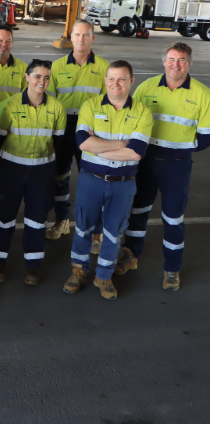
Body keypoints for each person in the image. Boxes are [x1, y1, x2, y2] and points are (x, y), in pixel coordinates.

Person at [116, 42, 210, 291]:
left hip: (176, 166)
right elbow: (131, 121)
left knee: (173, 218)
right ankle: (130, 256)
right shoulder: (146, 87)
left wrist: (177, 148)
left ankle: (172, 269)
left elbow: (205, 137)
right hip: (146, 163)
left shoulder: (203, 94)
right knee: (138, 211)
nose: (175, 64)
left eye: (181, 60)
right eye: (171, 59)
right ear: (163, 61)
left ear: (189, 63)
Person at [63, 61, 152, 300]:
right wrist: (121, 144)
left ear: (131, 81)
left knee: (114, 231)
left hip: (123, 183)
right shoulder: (90, 106)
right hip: (91, 180)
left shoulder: (142, 112)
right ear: (105, 80)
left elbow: (136, 153)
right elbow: (83, 142)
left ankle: (104, 275)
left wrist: (98, 147)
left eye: (122, 79)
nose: (116, 84)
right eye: (111, 78)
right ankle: (78, 271)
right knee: (83, 226)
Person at [0, 60, 66, 285]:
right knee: (4, 219)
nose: (42, 81)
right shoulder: (9, 106)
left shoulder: (56, 107)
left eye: (46, 77)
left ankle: (33, 267)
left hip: (41, 173)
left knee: (37, 220)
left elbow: (58, 143)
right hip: (11, 172)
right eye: (37, 76)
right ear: (27, 77)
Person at [46, 20, 109, 244]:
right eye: (77, 35)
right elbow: (50, 103)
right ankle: (62, 220)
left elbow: (108, 105)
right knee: (60, 177)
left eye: (86, 35)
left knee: (93, 180)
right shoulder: (57, 66)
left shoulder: (104, 68)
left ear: (93, 38)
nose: (81, 39)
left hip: (91, 132)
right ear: (70, 37)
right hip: (63, 130)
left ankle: (95, 229)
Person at [0, 25, 29, 214]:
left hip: (9, 129)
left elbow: (27, 99)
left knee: (0, 168)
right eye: (0, 40)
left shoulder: (22, 69)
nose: (4, 45)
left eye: (8, 41)